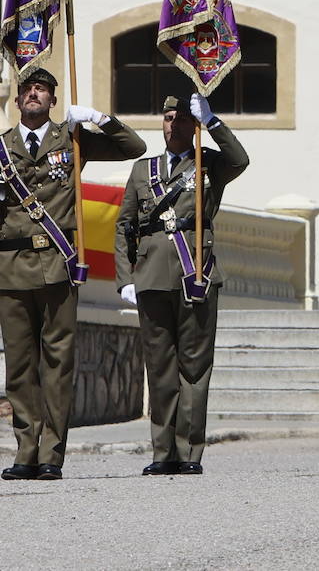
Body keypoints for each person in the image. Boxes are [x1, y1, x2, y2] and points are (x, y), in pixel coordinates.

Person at [0, 68, 146, 481]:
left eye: (42, 89)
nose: (33, 94)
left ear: (53, 100)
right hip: (10, 269)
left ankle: (51, 453)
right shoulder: (3, 147)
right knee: (20, 368)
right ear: (17, 100)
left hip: (58, 266)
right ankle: (25, 450)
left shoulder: (71, 139)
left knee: (58, 364)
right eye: (27, 89)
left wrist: (99, 118)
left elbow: (134, 146)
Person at [115, 94, 249, 476]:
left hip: (197, 275)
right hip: (153, 278)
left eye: (183, 119)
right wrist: (126, 277)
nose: (173, 124)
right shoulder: (144, 170)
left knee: (193, 368)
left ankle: (189, 451)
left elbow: (240, 159)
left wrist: (215, 121)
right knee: (159, 368)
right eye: (168, 117)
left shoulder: (209, 164)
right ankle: (162, 452)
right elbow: (124, 225)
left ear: (194, 126)